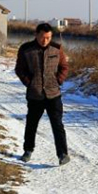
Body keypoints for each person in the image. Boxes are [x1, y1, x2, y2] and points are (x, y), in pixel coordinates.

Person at [15, 22, 70, 166]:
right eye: (42, 37)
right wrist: (29, 83)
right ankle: (28, 150)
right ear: (36, 35)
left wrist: (59, 80)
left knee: (57, 124)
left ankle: (62, 154)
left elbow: (64, 67)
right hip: (35, 94)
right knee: (31, 124)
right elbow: (19, 69)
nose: (45, 41)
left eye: (48, 38)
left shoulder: (57, 49)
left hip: (54, 94)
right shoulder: (26, 49)